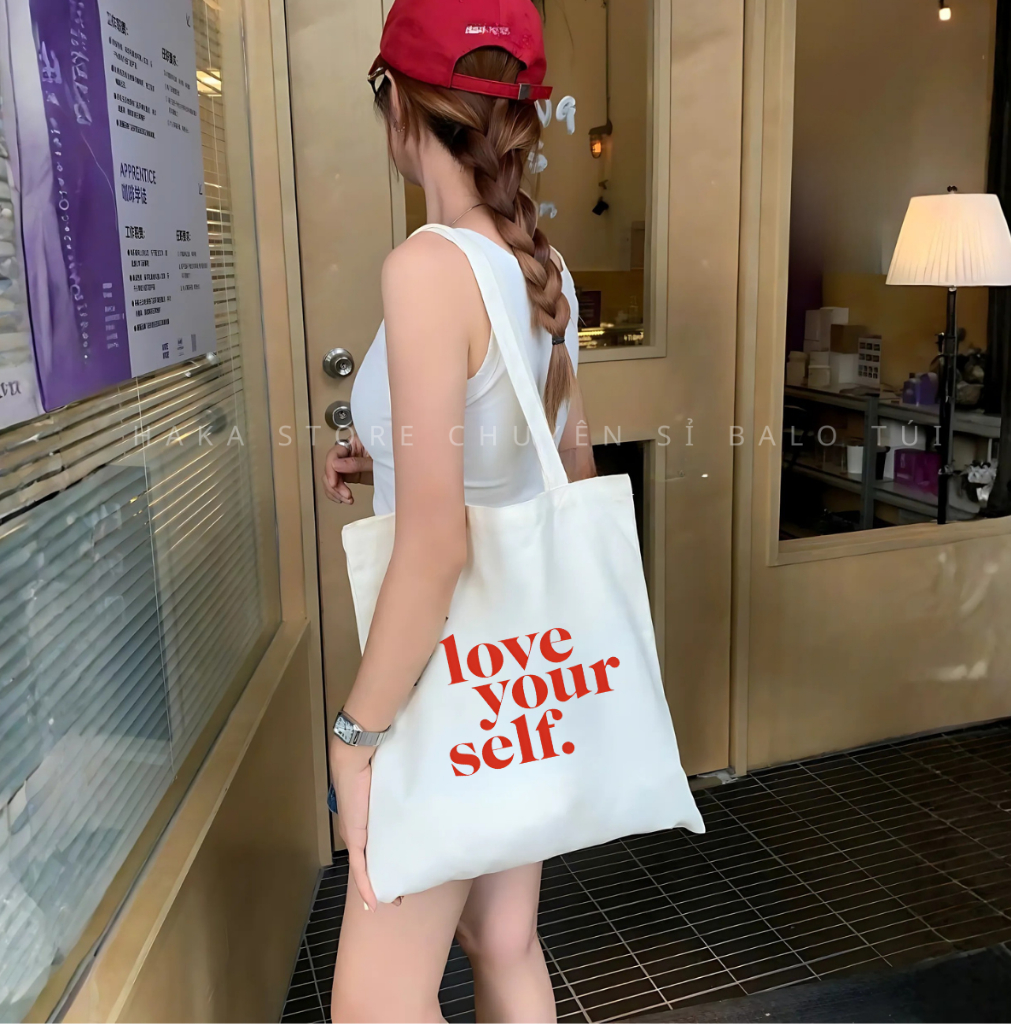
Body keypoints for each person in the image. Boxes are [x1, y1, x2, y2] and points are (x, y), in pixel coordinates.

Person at [321, 1, 595, 1019]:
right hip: (523, 673)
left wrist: (355, 734)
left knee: (374, 1005)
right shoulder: (541, 269)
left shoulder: (427, 268)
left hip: (441, 685)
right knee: (503, 942)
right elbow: (560, 464)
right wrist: (391, 457)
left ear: (398, 101)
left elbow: (436, 543)